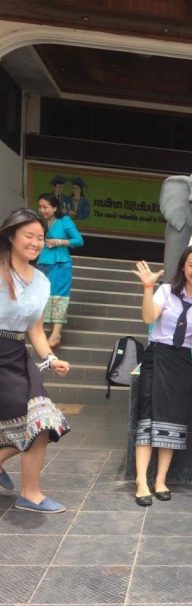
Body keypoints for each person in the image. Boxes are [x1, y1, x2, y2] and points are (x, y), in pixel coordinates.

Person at [132, 246, 192, 506]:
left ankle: (160, 479)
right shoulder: (166, 291)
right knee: (148, 416)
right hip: (157, 356)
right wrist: (148, 287)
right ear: (183, 266)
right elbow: (148, 316)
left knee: (173, 420)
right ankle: (141, 481)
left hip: (181, 360)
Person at [0, 209, 71, 513]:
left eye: (40, 237)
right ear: (11, 236)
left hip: (18, 354)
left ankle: (30, 493)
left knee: (44, 422)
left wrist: (51, 358)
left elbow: (36, 330)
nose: (35, 242)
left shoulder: (42, 280)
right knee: (33, 424)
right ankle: (30, 493)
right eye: (28, 235)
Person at [36, 192, 84, 349]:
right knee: (42, 296)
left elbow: (79, 241)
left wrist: (58, 241)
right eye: (40, 207)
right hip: (42, 263)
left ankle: (56, 334)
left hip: (61, 263)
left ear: (55, 207)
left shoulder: (65, 221)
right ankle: (41, 330)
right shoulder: (38, 222)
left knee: (59, 297)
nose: (42, 210)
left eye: (46, 207)